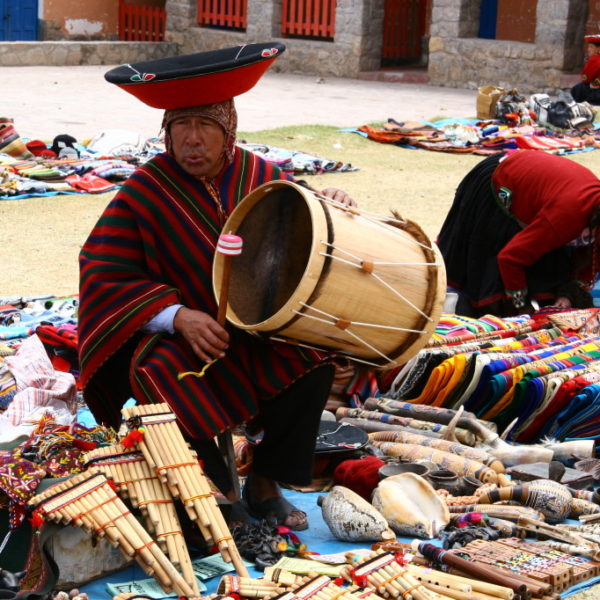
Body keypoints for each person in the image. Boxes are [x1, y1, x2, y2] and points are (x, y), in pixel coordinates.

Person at [77, 42, 355, 531]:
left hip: (259, 331)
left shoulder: (261, 176)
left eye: (206, 126)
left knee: (312, 362)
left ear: (229, 131)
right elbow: (103, 270)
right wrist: (176, 316)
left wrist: (330, 202)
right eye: (180, 127)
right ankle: (219, 493)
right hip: (186, 339)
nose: (193, 141)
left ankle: (266, 481)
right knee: (159, 373)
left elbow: (309, 225)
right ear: (166, 134)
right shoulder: (146, 190)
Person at [437, 149, 600, 318]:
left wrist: (568, 294)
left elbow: (591, 257)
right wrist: (521, 306)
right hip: (501, 180)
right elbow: (510, 257)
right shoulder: (564, 219)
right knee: (487, 268)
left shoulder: (591, 214)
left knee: (548, 257)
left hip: (542, 188)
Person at [571, 34, 600, 105]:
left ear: (598, 48)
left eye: (591, 47)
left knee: (578, 88)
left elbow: (586, 79)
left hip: (596, 92)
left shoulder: (594, 60)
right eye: (588, 47)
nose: (588, 49)